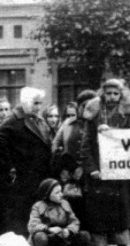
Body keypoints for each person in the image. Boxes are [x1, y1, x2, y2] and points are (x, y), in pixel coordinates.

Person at [80, 79, 130, 246]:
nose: (112, 97)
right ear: (103, 95)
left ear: (121, 95)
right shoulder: (95, 113)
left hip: (120, 174)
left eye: (116, 94)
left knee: (122, 217)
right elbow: (86, 145)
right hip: (99, 175)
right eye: (109, 94)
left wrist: (113, 134)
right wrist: (92, 169)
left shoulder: (128, 113)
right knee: (99, 219)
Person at [0, 87, 52, 237]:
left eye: (40, 103)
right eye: (35, 103)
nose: (39, 107)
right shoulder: (14, 119)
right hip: (23, 177)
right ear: (26, 103)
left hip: (38, 175)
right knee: (22, 215)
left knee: (35, 213)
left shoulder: (38, 120)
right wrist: (10, 165)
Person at [28, 178, 96, 246]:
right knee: (39, 236)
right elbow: (32, 225)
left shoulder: (65, 204)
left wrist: (69, 231)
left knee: (85, 235)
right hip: (48, 241)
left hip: (63, 240)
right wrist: (48, 229)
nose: (61, 194)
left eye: (61, 191)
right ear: (47, 194)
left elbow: (75, 222)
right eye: (57, 192)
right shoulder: (38, 206)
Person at [52, 90, 97, 226]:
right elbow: (56, 145)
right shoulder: (69, 124)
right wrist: (65, 165)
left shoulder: (98, 124)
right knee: (74, 212)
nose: (86, 109)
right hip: (73, 177)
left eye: (91, 105)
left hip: (92, 175)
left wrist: (87, 167)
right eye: (83, 105)